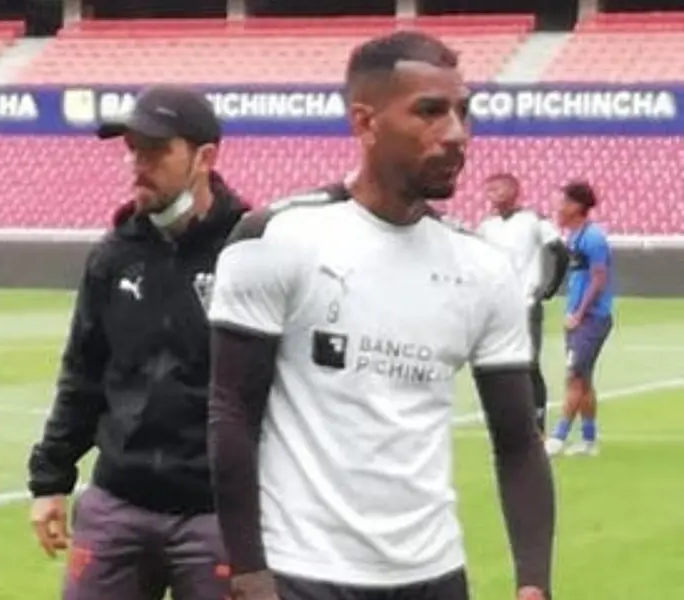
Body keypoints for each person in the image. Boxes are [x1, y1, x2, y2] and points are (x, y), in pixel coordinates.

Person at [206, 31, 555, 600]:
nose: (456, 134)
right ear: (365, 123)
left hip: (434, 574)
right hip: (303, 572)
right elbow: (232, 415)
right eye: (430, 112)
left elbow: (517, 440)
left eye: (463, 112)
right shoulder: (276, 238)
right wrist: (248, 572)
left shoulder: (484, 269)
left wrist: (533, 582)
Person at [26, 85, 249, 600]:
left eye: (155, 151)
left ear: (204, 158)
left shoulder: (251, 251)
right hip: (117, 503)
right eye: (133, 150)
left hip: (216, 514)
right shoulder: (114, 255)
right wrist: (50, 479)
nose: (137, 164)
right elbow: (83, 373)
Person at [476, 172, 570, 434]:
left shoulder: (533, 220)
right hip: (496, 308)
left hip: (526, 305)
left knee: (529, 365)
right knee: (499, 366)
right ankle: (508, 422)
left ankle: (537, 426)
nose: (491, 195)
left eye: (496, 189)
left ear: (513, 191)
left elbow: (560, 252)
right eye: (489, 190)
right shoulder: (486, 227)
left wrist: (550, 288)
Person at [544, 180, 614, 458]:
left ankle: (558, 437)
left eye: (562, 202)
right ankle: (588, 439)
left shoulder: (593, 238)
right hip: (578, 318)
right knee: (583, 379)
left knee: (574, 376)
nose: (557, 207)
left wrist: (579, 313)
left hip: (590, 319)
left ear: (576, 206)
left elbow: (598, 278)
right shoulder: (575, 236)